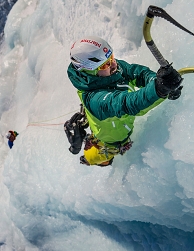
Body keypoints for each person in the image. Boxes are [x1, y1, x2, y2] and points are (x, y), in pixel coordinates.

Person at [64, 36, 182, 167]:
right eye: (106, 64)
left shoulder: (111, 69)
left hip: (108, 126)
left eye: (111, 58)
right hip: (109, 142)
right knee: (95, 158)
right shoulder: (95, 100)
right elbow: (127, 104)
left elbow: (137, 73)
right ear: (90, 71)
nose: (114, 64)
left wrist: (159, 82)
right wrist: (159, 90)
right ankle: (92, 159)